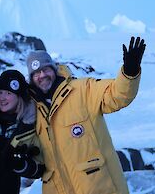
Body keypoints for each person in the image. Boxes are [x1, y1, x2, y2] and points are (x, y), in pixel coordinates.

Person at [26, 37, 146, 194]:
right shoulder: (33, 110)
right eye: (36, 73)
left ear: (54, 69)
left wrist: (130, 72)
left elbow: (117, 95)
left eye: (45, 69)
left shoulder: (82, 90)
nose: (41, 75)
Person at [0, 70, 45, 194]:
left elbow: (40, 168)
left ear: (19, 97)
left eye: (8, 93)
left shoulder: (29, 127)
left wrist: (21, 165)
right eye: (0, 92)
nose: (2, 98)